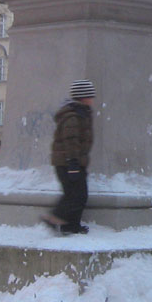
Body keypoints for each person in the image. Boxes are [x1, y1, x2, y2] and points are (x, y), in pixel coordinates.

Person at [42, 80, 95, 235]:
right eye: (90, 96)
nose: (92, 99)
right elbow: (71, 141)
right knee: (75, 195)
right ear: (83, 97)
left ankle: (70, 225)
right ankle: (55, 218)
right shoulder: (73, 116)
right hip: (68, 163)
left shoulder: (80, 113)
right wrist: (73, 163)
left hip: (73, 162)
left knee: (78, 195)